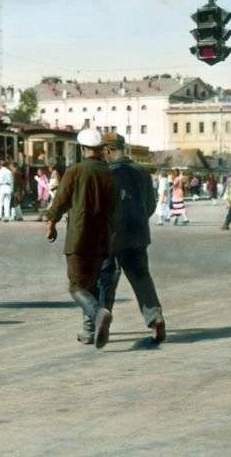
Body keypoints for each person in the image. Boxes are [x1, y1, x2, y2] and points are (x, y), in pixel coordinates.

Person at [77, 132, 165, 345]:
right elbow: (150, 205)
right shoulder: (142, 171)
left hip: (110, 236)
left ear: (107, 150)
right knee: (141, 276)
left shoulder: (106, 173)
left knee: (103, 281)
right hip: (138, 235)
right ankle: (155, 318)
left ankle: (94, 327)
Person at [45, 129, 117, 349]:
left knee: (77, 286)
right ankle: (89, 332)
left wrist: (51, 223)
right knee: (92, 284)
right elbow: (116, 208)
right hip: (103, 238)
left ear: (83, 148)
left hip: (79, 237)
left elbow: (60, 200)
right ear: (101, 149)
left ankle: (98, 314)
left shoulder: (75, 171)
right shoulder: (109, 173)